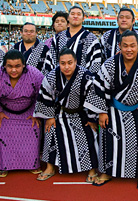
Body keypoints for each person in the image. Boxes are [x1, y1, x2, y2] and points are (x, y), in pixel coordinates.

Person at [86, 30, 138, 189]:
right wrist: (101, 112)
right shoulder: (110, 63)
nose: (129, 49)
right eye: (125, 46)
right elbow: (100, 87)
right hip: (114, 108)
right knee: (109, 141)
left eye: (133, 46)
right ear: (119, 46)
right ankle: (107, 172)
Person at [33, 48, 99, 182]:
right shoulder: (52, 76)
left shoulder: (86, 76)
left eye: (70, 63)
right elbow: (45, 97)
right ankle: (50, 167)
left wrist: (92, 119)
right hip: (60, 112)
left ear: (76, 62)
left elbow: (93, 98)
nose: (67, 67)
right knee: (50, 130)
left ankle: (92, 169)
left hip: (82, 113)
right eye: (63, 63)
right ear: (58, 63)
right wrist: (50, 117)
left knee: (91, 134)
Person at [0, 50, 44, 177]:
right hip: (5, 111)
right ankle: (2, 165)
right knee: (0, 129)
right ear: (4, 66)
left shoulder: (34, 74)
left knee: (34, 128)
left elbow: (41, 95)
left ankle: (32, 164)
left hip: (28, 111)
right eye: (10, 66)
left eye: (17, 66)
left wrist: (36, 113)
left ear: (24, 65)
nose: (14, 70)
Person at [48, 6, 102, 74]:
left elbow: (95, 64)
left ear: (83, 19)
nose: (75, 16)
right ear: (68, 18)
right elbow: (50, 61)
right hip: (59, 80)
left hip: (83, 81)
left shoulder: (92, 39)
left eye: (79, 14)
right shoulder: (57, 38)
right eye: (72, 14)